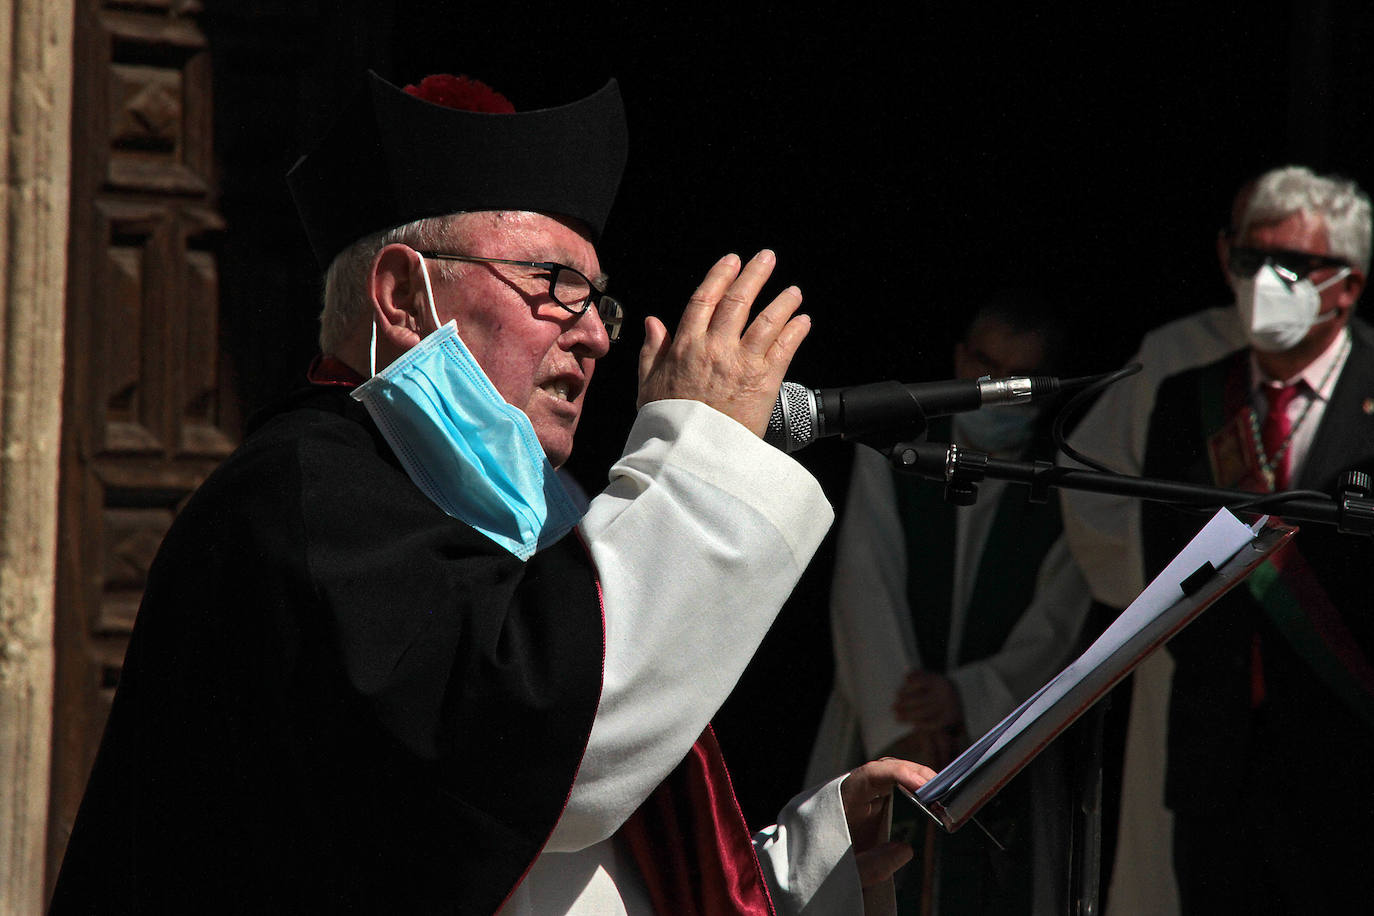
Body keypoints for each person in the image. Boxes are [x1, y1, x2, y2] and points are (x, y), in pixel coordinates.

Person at [49, 71, 932, 914]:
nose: (592, 335)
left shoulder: (520, 510)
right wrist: (694, 457)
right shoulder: (303, 500)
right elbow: (553, 749)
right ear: (401, 295)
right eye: (554, 285)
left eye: (600, 302)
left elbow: (550, 866)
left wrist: (813, 861)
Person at [1068, 165, 1374, 915]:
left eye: (1294, 265)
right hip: (1214, 768)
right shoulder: (1187, 398)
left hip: (1352, 768)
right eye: (1250, 260)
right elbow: (1162, 572)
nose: (1266, 281)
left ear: (1348, 285)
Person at [807, 294, 1092, 915]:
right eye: (987, 368)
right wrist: (906, 714)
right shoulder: (900, 445)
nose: (998, 390)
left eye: (1020, 379)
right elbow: (864, 581)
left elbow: (1057, 623)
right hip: (882, 721)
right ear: (961, 359)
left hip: (1001, 738)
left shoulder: (1065, 476)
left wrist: (967, 697)